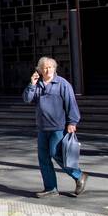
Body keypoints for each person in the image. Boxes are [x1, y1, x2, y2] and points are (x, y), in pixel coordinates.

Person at [23, 57, 86, 198]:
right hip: (42, 128)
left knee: (56, 153)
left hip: (58, 127)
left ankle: (79, 175)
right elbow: (27, 99)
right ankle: (51, 188)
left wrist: (72, 122)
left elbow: (71, 103)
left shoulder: (62, 84)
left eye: (51, 67)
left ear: (55, 68)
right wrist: (31, 84)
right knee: (43, 158)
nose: (48, 70)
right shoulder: (37, 84)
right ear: (39, 70)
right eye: (45, 67)